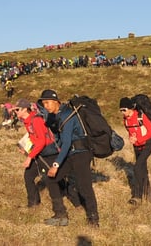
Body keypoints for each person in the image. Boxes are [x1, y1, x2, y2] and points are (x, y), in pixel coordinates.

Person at [38, 89, 99, 227]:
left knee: (84, 187)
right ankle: (60, 214)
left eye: (48, 102)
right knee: (51, 179)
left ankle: (93, 218)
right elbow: (60, 142)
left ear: (56, 102)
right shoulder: (56, 116)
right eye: (44, 104)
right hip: (70, 154)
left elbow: (66, 143)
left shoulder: (67, 115)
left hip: (81, 153)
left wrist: (56, 165)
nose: (45, 106)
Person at [15, 98, 58, 208]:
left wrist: (29, 157)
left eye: (17, 109)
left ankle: (70, 199)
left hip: (49, 153)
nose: (15, 112)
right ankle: (33, 203)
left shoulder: (36, 120)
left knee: (54, 178)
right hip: (39, 153)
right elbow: (34, 138)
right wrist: (26, 150)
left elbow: (42, 141)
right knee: (28, 176)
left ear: (25, 109)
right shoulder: (27, 121)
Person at [120, 97, 151, 205]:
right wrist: (131, 139)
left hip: (147, 146)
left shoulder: (141, 116)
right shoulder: (125, 120)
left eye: (124, 110)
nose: (122, 112)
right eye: (121, 110)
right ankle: (149, 196)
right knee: (142, 170)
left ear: (130, 108)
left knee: (137, 168)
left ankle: (137, 196)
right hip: (136, 147)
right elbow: (130, 132)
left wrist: (139, 139)